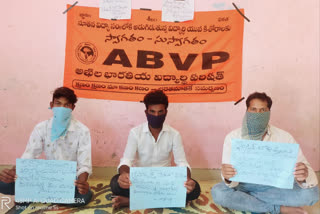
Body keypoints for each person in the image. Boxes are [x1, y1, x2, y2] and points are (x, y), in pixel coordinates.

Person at [211, 92, 319, 214]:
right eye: (253, 109)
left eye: (263, 110)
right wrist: (227, 176)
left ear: (269, 113)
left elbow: (306, 171)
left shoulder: (284, 137)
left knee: (311, 194)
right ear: (247, 111)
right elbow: (230, 178)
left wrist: (303, 174)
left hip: (274, 187)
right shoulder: (233, 137)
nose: (258, 114)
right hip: (243, 185)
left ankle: (248, 200)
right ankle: (277, 208)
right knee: (218, 192)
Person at [0, 87, 93, 207]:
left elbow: (84, 164)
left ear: (72, 108)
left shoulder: (82, 131)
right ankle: (50, 195)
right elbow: (29, 156)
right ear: (52, 104)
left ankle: (36, 195)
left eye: (67, 105)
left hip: (68, 181)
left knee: (84, 197)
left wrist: (82, 183)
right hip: (45, 176)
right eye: (58, 104)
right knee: (3, 184)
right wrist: (14, 172)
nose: (61, 109)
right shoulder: (41, 128)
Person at [110, 90, 201, 209]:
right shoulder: (135, 133)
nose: (156, 115)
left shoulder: (174, 134)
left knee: (195, 189)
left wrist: (187, 179)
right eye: (152, 112)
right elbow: (126, 160)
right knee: (115, 183)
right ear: (146, 112)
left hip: (164, 181)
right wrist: (124, 174)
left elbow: (182, 162)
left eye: (160, 112)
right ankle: (168, 199)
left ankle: (130, 201)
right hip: (141, 180)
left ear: (166, 112)